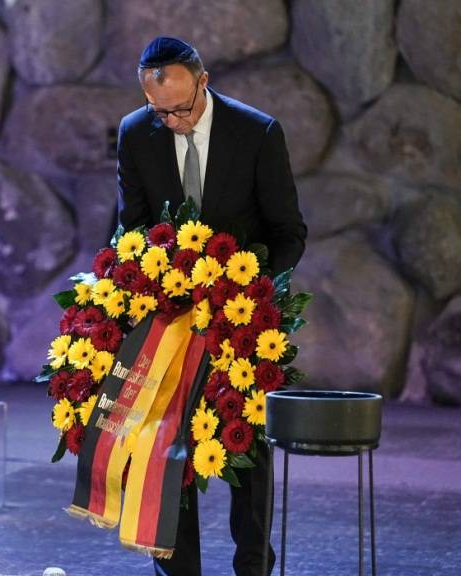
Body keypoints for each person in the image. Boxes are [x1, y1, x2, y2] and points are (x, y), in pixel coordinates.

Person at [116, 37, 307, 576]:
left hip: (242, 319)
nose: (172, 121)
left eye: (182, 108)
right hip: (170, 320)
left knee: (248, 450)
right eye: (160, 112)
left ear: (203, 81)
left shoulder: (257, 132)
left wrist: (255, 293)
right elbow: (130, 225)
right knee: (168, 447)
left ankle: (253, 566)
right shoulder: (136, 133)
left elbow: (289, 232)